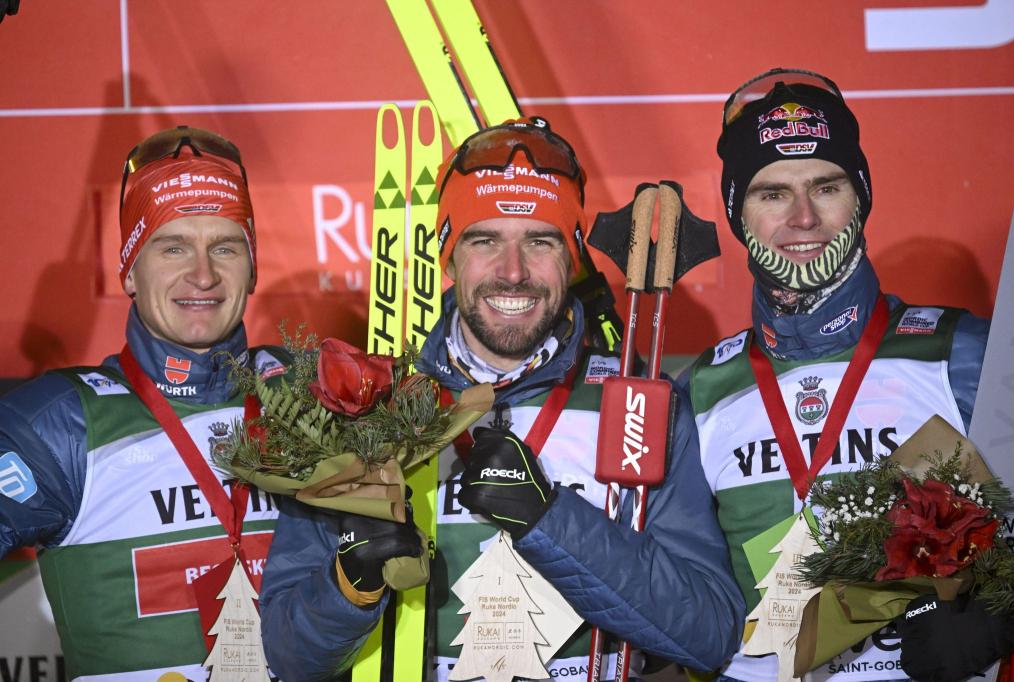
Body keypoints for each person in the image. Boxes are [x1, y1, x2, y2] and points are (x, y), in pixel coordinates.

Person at [259, 118, 746, 681]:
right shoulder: (368, 405)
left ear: (573, 256)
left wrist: (549, 519)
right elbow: (288, 658)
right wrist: (347, 589)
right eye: (484, 240)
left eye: (540, 241)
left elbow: (708, 633)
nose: (513, 273)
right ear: (448, 255)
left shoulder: (637, 401)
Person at [684, 68, 1014, 681]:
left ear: (860, 195)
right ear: (738, 213)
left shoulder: (961, 352)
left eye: (827, 186)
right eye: (771, 193)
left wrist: (1005, 606)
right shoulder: (701, 388)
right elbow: (684, 589)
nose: (803, 217)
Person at [0, 126, 289, 679]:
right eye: (173, 246)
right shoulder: (60, 422)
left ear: (252, 267)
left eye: (224, 247)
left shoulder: (308, 390)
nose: (202, 274)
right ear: (130, 269)